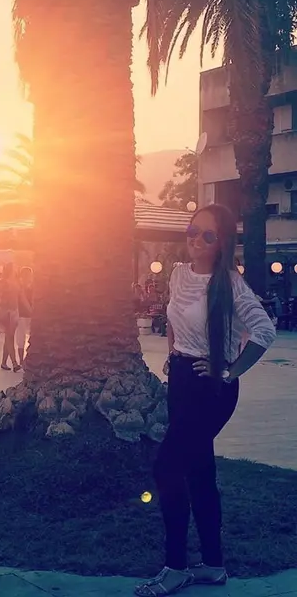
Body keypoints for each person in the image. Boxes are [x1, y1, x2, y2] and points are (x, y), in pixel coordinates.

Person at [135, 204, 276, 596]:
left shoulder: (230, 283)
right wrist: (173, 354)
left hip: (211, 388)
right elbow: (175, 319)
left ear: (222, 242)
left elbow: (264, 331)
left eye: (208, 235)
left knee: (166, 468)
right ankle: (213, 565)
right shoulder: (179, 274)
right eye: (192, 231)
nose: (197, 240)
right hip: (182, 380)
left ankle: (176, 567)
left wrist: (229, 370)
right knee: (199, 472)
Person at [0, 263, 21, 372]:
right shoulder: (2, 282)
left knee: (8, 338)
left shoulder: (16, 282)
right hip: (5, 311)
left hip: (14, 311)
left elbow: (20, 296)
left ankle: (4, 362)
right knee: (10, 337)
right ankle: (14, 363)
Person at [16, 266, 33, 366]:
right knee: (20, 339)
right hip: (21, 314)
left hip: (28, 315)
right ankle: (21, 361)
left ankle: (26, 360)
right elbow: (22, 300)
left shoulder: (32, 286)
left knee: (28, 337)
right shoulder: (19, 287)